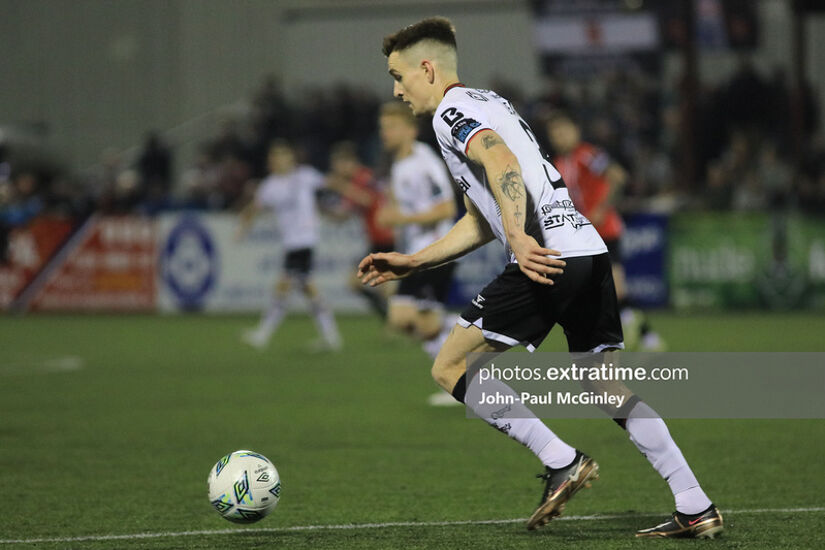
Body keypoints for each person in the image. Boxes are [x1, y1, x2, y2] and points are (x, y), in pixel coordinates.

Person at [358, 17, 721, 538]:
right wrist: (415, 261)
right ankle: (694, 503)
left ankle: (560, 460)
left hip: (548, 256)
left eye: (398, 75)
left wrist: (520, 236)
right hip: (587, 247)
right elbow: (479, 217)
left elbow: (499, 159)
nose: (396, 89)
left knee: (450, 365)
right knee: (605, 385)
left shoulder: (450, 113)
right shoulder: (492, 103)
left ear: (427, 68)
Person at [547, 112, 665, 351]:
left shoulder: (587, 155)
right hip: (585, 234)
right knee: (605, 291)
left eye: (564, 131)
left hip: (606, 230)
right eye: (555, 134)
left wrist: (602, 208)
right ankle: (641, 338)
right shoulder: (558, 163)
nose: (560, 137)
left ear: (576, 131)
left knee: (612, 290)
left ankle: (638, 338)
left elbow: (618, 176)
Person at [377, 101, 459, 406]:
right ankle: (462, 329)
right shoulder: (399, 165)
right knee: (401, 319)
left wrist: (401, 218)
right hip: (415, 251)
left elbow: (447, 208)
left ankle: (456, 382)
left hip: (438, 249)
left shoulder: (425, 162)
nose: (385, 133)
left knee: (422, 323)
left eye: (391, 127)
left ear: (410, 130)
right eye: (383, 127)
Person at [238, 140, 341, 351]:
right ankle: (331, 337)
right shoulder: (270, 185)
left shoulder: (305, 175)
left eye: (281, 156)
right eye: (274, 158)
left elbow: (329, 183)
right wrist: (243, 226)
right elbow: (255, 207)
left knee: (284, 287)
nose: (277, 161)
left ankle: (262, 335)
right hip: (291, 243)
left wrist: (344, 200)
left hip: (304, 241)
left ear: (291, 159)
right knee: (307, 289)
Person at [326, 141, 395, 319]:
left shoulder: (364, 177)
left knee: (379, 286)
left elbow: (367, 200)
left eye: (338, 166)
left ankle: (393, 320)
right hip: (377, 238)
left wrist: (341, 186)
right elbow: (345, 214)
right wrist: (324, 211)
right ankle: (390, 319)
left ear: (348, 162)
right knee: (364, 285)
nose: (338, 171)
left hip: (384, 236)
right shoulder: (357, 181)